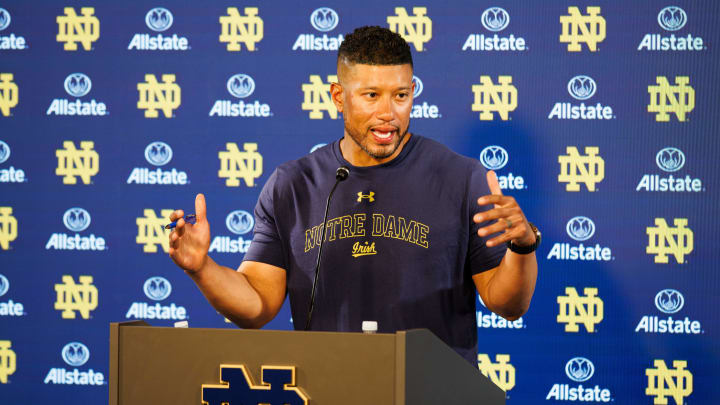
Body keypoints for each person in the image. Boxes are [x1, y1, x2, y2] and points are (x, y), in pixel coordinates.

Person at [168, 26, 538, 364]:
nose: (387, 113)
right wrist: (203, 269)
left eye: (401, 95)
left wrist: (522, 248)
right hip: (329, 387)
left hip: (432, 391)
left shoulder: (462, 178)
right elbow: (257, 304)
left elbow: (506, 304)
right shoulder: (292, 185)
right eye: (371, 96)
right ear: (338, 96)